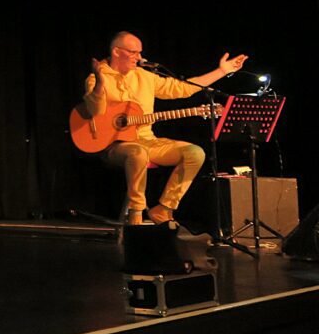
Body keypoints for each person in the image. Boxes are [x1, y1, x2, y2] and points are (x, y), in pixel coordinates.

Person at [84, 31, 247, 225]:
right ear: (117, 52)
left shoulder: (145, 76)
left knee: (194, 153)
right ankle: (136, 213)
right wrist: (100, 84)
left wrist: (221, 71)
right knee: (138, 153)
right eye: (134, 52)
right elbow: (94, 110)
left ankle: (164, 209)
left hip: (147, 141)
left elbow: (182, 88)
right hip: (113, 145)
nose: (139, 57)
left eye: (140, 52)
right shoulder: (96, 78)